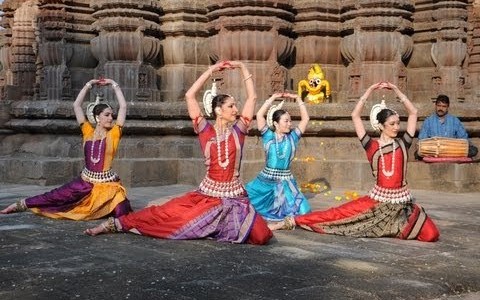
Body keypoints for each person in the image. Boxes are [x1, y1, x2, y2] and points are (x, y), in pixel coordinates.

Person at [84, 61, 273, 245]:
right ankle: (116, 224)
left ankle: (218, 226)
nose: (236, 109)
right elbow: (190, 96)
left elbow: (253, 98)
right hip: (208, 195)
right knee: (170, 214)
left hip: (235, 198)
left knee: (261, 235)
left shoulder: (238, 131)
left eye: (235, 106)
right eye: (231, 106)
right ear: (218, 110)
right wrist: (210, 70)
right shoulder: (205, 131)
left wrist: (242, 67)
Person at [269, 82, 440, 242]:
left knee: (431, 234)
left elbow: (414, 113)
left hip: (403, 206)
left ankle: (394, 226)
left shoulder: (403, 144)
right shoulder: (371, 146)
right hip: (377, 202)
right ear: (380, 125)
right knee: (335, 215)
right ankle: (288, 222)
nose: (397, 127)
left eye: (398, 123)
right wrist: (369, 91)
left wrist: (396, 90)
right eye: (392, 124)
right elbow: (355, 115)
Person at [1, 78, 132, 219]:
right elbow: (76, 105)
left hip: (107, 185)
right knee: (56, 196)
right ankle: (19, 205)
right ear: (97, 118)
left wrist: (113, 84)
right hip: (85, 182)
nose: (110, 118)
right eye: (107, 115)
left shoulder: (114, 134)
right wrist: (89, 84)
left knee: (122, 209)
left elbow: (123, 107)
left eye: (111, 115)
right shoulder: (87, 131)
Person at [245, 92, 311, 221]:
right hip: (267, 181)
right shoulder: (268, 136)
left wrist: (298, 99)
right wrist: (272, 98)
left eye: (290, 121)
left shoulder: (293, 137)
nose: (290, 124)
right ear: (276, 123)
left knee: (304, 211)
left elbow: (306, 119)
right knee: (248, 205)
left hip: (286, 181)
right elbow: (259, 115)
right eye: (286, 121)